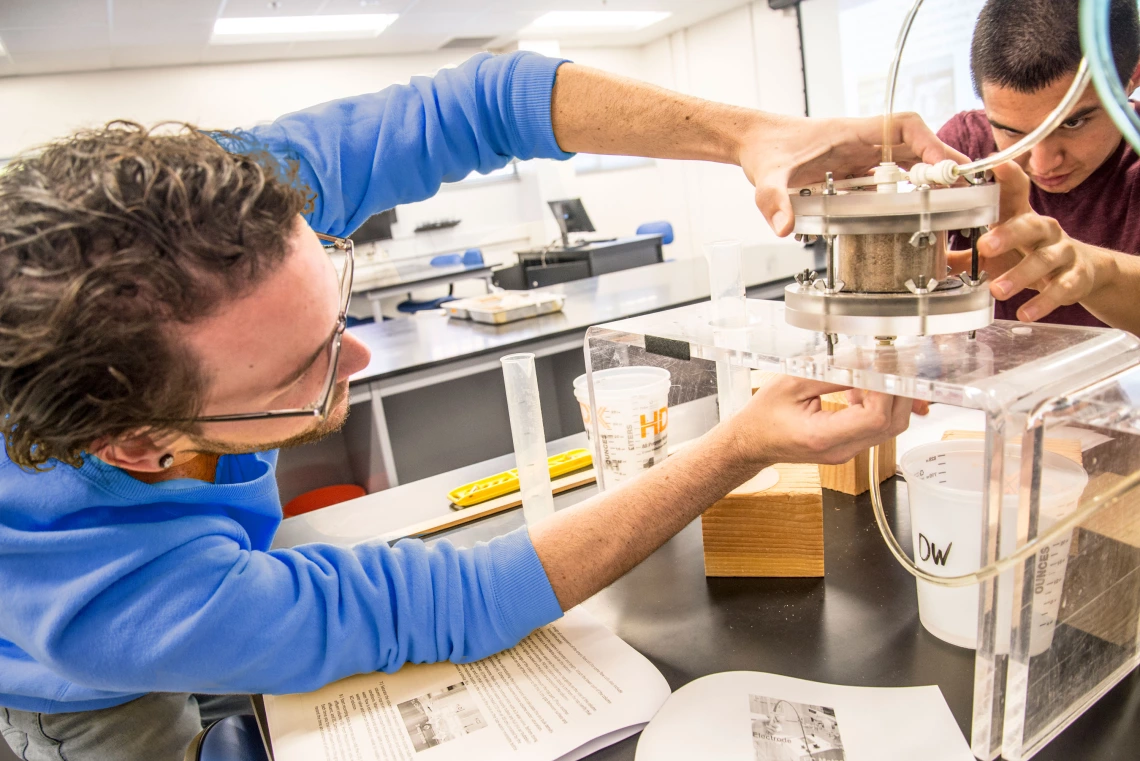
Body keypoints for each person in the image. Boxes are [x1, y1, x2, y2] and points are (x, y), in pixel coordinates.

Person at [0, 52, 937, 760]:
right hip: (86, 697)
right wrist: (737, 446)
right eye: (303, 368)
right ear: (140, 445)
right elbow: (453, 603)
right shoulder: (104, 601)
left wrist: (748, 134)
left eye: (335, 294)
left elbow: (484, 101)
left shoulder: (211, 219)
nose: (357, 354)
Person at [940, 0, 1140, 335]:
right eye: (1011, 132)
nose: (1043, 163)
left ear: (1132, 75)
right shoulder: (963, 151)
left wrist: (1095, 273)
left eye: (1073, 122)